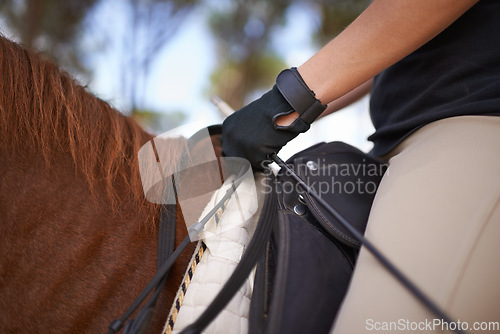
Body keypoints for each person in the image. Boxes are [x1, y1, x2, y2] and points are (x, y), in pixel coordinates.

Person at [222, 0, 500, 332]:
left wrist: (285, 104)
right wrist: (276, 111)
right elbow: (388, 45)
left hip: (469, 130)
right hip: (386, 146)